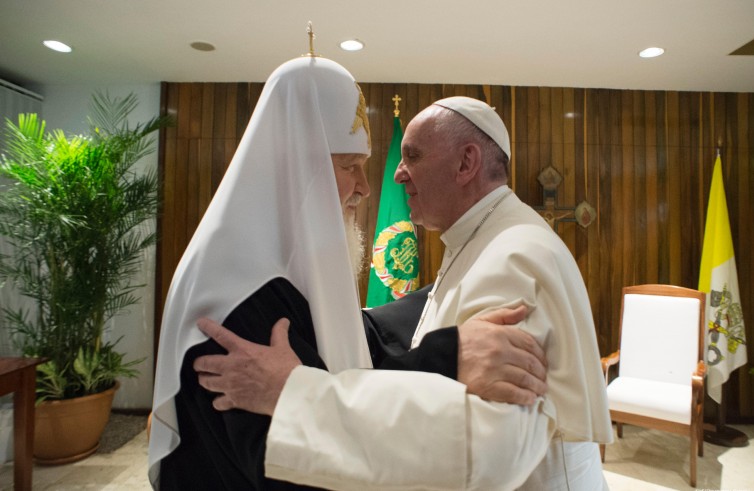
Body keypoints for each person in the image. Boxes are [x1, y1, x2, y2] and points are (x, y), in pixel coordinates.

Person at [148, 54, 548, 490]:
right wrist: (448, 358)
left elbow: (353, 341)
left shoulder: (261, 266)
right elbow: (300, 468)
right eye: (348, 165)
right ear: (295, 164)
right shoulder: (237, 299)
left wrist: (451, 291)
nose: (365, 185)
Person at [195, 97, 614, 489]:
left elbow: (495, 448)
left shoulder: (513, 255)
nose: (396, 173)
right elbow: (432, 307)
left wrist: (294, 394)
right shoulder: (486, 236)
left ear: (467, 162)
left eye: (412, 156)